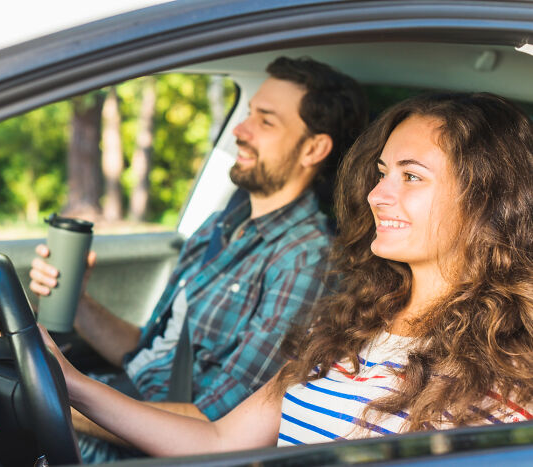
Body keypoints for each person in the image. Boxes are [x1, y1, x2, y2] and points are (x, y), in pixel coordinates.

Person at [0, 56, 368, 461]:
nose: (240, 131)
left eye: (266, 120)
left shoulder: (306, 261)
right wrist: (78, 302)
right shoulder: (223, 224)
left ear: (313, 148)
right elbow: (147, 350)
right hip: (116, 394)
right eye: (248, 113)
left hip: (132, 442)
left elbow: (216, 422)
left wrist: (63, 396)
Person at [34, 91, 533, 456]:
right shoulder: (350, 322)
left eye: (411, 176)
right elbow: (218, 439)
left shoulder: (509, 368)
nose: (377, 195)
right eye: (381, 173)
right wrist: (72, 384)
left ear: (487, 199)